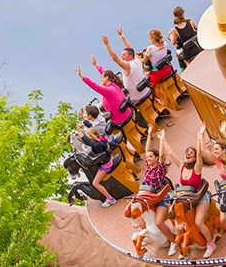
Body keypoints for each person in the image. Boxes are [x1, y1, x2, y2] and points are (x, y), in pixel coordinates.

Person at [159, 125, 217, 258]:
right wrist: (162, 139)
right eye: (187, 152)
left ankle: (210, 244)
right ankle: (185, 247)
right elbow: (171, 153)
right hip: (186, 199)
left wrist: (199, 138)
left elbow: (200, 154)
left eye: (192, 153)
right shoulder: (181, 166)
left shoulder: (197, 167)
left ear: (195, 158)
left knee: (198, 222)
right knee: (178, 226)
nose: (188, 153)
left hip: (199, 197)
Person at [141, 125, 178, 256]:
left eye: (151, 157)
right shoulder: (148, 167)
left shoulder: (159, 168)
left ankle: (173, 242)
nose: (148, 158)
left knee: (159, 222)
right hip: (151, 196)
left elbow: (162, 155)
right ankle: (150, 236)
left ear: (156, 158)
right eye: (148, 157)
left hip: (163, 196)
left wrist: (162, 139)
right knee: (141, 219)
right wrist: (149, 133)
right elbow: (146, 149)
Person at [102, 25, 150, 104]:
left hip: (136, 98)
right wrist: (122, 36)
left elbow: (115, 58)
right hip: (146, 91)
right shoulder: (137, 60)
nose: (121, 56)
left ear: (130, 56)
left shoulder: (128, 66)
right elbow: (129, 48)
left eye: (124, 55)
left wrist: (107, 44)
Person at [76, 60, 132, 125]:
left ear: (107, 78)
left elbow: (94, 86)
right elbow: (106, 73)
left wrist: (81, 76)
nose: (101, 79)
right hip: (127, 114)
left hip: (120, 120)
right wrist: (96, 65)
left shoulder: (108, 90)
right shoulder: (115, 85)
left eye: (101, 77)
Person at [74, 125, 117, 207]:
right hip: (107, 160)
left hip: (105, 165)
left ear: (92, 136)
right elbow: (88, 141)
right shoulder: (101, 139)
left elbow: (90, 142)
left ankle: (110, 199)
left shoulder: (97, 145)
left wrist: (79, 131)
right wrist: (79, 133)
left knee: (95, 183)